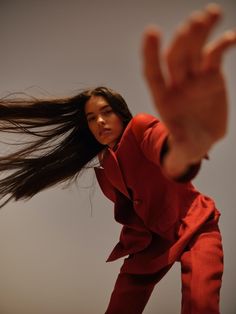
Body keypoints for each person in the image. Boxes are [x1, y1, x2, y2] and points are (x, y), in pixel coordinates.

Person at [0, 3, 235, 314]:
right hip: (150, 243)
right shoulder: (106, 165)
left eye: (106, 112)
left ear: (121, 114)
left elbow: (165, 150)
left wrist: (186, 148)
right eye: (91, 118)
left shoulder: (140, 128)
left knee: (201, 304)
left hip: (195, 224)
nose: (99, 122)